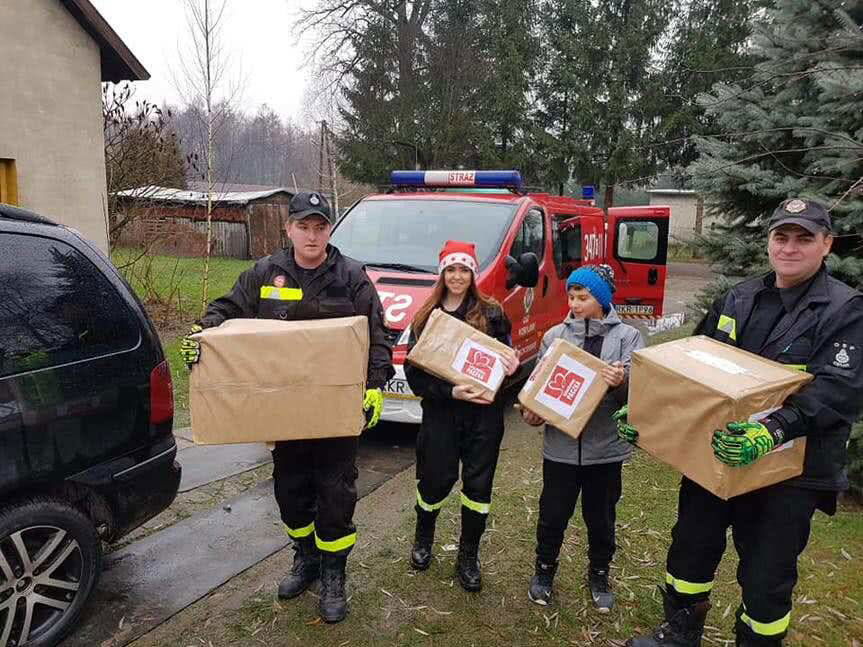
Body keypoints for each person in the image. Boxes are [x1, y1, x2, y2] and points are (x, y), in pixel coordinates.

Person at [616, 199, 863, 646]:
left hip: (790, 473)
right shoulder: (740, 297)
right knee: (691, 548)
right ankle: (680, 631)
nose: (789, 248)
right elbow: (691, 367)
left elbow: (838, 392)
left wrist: (772, 429)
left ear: (826, 244)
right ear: (768, 241)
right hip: (715, 456)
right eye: (781, 236)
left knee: (767, 574)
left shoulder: (846, 310)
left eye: (804, 238)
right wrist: (645, 413)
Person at [179, 191, 394, 624]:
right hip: (286, 412)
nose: (312, 235)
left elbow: (378, 335)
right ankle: (306, 558)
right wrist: (201, 333)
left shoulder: (351, 276)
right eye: (304, 226)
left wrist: (373, 386)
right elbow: (226, 308)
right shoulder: (265, 273)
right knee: (290, 493)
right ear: (289, 228)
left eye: (320, 227)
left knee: (336, 495)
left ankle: (334, 574)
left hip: (335, 415)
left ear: (329, 230)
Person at [520, 265, 644, 612]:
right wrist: (530, 412)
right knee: (552, 515)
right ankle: (544, 572)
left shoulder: (627, 338)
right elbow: (538, 388)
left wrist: (622, 382)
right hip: (559, 448)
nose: (575, 303)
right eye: (571, 297)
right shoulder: (554, 337)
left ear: (602, 299)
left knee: (601, 517)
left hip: (604, 449)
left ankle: (599, 574)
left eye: (583, 297)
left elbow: (638, 398)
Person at [404, 240, 519, 592]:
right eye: (451, 269)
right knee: (435, 480)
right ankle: (424, 537)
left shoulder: (493, 312)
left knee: (478, 485)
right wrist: (449, 391)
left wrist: (511, 367)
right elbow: (415, 376)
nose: (457, 276)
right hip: (441, 413)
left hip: (483, 417)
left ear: (473, 273)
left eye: (464, 269)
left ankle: (468, 554)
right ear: (442, 274)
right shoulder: (426, 318)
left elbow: (505, 363)